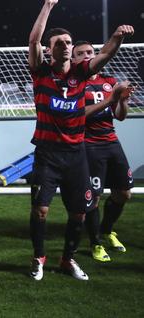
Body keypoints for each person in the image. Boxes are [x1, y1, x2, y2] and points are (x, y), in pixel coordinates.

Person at [26, 0, 133, 281]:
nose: (64, 45)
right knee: (41, 212)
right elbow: (34, 40)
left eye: (68, 42)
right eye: (58, 42)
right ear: (49, 50)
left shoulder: (81, 74)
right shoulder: (41, 73)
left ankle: (67, 260)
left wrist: (118, 36)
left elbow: (106, 54)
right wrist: (47, 5)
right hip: (47, 154)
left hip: (76, 155)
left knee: (79, 214)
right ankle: (38, 258)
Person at [72, 41, 134, 262]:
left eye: (90, 52)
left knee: (124, 193)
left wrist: (122, 100)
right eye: (80, 54)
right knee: (94, 197)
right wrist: (112, 98)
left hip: (111, 142)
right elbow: (80, 113)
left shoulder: (109, 81)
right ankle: (95, 242)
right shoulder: (74, 83)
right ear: (73, 59)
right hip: (89, 146)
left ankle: (107, 230)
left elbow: (120, 115)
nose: (86, 56)